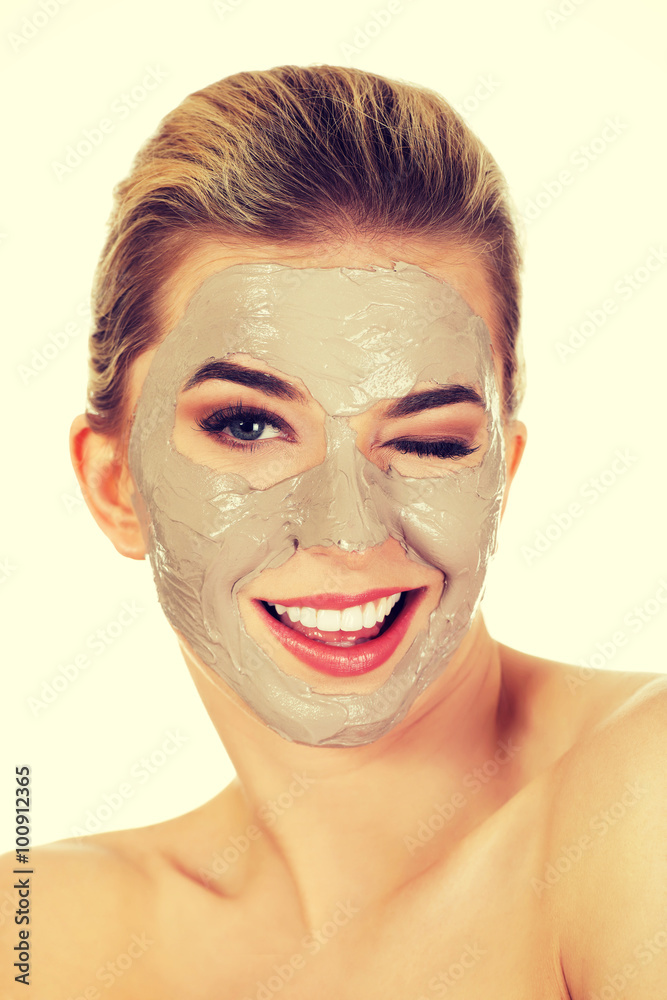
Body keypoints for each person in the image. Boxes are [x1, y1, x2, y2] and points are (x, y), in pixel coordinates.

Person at [3, 63, 665, 1000]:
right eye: (248, 426)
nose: (350, 533)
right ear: (115, 485)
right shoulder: (38, 930)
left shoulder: (644, 791)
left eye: (430, 441)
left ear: (500, 478)